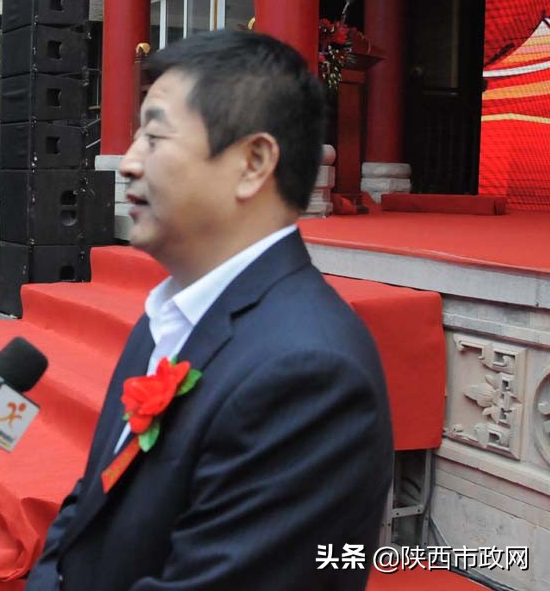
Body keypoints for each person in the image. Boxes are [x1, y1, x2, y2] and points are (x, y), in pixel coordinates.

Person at [26, 31, 393, 591]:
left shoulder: (309, 373)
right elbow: (91, 501)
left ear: (253, 162)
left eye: (154, 137)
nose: (128, 164)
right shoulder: (167, 317)